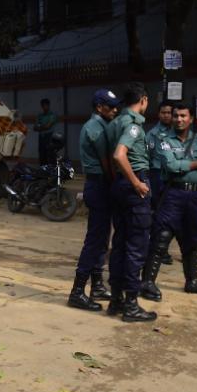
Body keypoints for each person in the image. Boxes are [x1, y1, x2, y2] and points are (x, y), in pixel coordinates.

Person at [140, 104, 197, 301]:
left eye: (183, 116)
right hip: (173, 195)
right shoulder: (164, 141)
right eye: (176, 116)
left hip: (194, 196)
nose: (179, 119)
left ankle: (192, 281)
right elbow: (172, 166)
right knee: (161, 238)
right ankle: (147, 282)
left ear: (190, 119)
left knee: (192, 238)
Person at [104, 82, 156, 323]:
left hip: (118, 186)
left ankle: (116, 299)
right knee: (136, 247)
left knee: (121, 243)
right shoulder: (133, 126)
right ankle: (132, 305)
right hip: (134, 185)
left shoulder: (114, 123)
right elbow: (119, 154)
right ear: (143, 100)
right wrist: (136, 182)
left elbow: (109, 156)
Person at [67, 89, 119, 312]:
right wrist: (114, 181)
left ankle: (97, 284)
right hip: (99, 184)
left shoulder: (103, 124)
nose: (115, 110)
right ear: (99, 107)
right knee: (95, 239)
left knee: (102, 237)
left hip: (102, 184)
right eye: (111, 106)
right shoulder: (95, 127)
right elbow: (106, 160)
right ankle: (77, 291)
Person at [146, 100, 175, 210]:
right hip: (157, 175)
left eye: (169, 113)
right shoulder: (152, 134)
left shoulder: (178, 132)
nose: (166, 115)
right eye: (163, 112)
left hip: (174, 174)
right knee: (158, 206)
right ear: (159, 114)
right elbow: (146, 156)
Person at [34, 99, 58, 164]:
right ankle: (43, 170)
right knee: (42, 154)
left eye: (46, 105)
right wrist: (43, 127)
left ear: (48, 105)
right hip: (41, 137)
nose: (45, 107)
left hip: (49, 137)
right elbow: (35, 127)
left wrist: (40, 126)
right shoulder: (40, 115)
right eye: (43, 105)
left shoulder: (52, 115)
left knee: (50, 154)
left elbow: (48, 126)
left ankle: (51, 170)